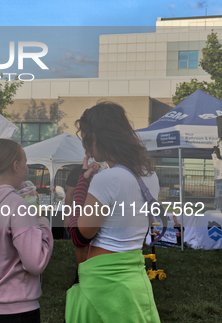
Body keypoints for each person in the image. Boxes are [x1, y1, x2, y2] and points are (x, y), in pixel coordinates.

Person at [65, 102, 161, 322]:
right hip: (134, 275)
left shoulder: (107, 179)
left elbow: (79, 237)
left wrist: (84, 178)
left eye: (85, 139)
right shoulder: (149, 175)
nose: (85, 147)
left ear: (96, 138)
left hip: (104, 282)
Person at [0, 139, 54, 323]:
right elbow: (35, 263)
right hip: (15, 309)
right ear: (16, 166)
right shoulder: (16, 205)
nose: (27, 169)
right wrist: (43, 224)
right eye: (26, 163)